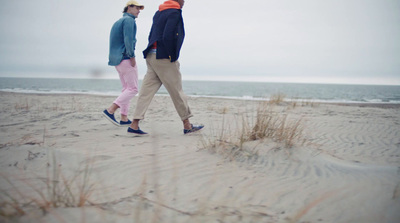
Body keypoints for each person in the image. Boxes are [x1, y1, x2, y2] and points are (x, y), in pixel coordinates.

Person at [128, 0, 203, 135]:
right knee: (177, 91)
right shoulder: (174, 12)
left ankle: (134, 124)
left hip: (151, 55)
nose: (184, 2)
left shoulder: (159, 12)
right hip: (163, 57)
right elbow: (168, 35)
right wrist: (172, 56)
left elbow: (152, 34)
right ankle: (187, 125)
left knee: (146, 92)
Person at [102, 1, 144, 127]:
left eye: (139, 8)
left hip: (117, 60)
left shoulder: (118, 22)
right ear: (129, 8)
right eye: (137, 8)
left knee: (126, 89)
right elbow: (128, 39)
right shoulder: (129, 21)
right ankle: (110, 110)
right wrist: (132, 55)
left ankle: (124, 117)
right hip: (125, 58)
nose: (139, 11)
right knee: (133, 89)